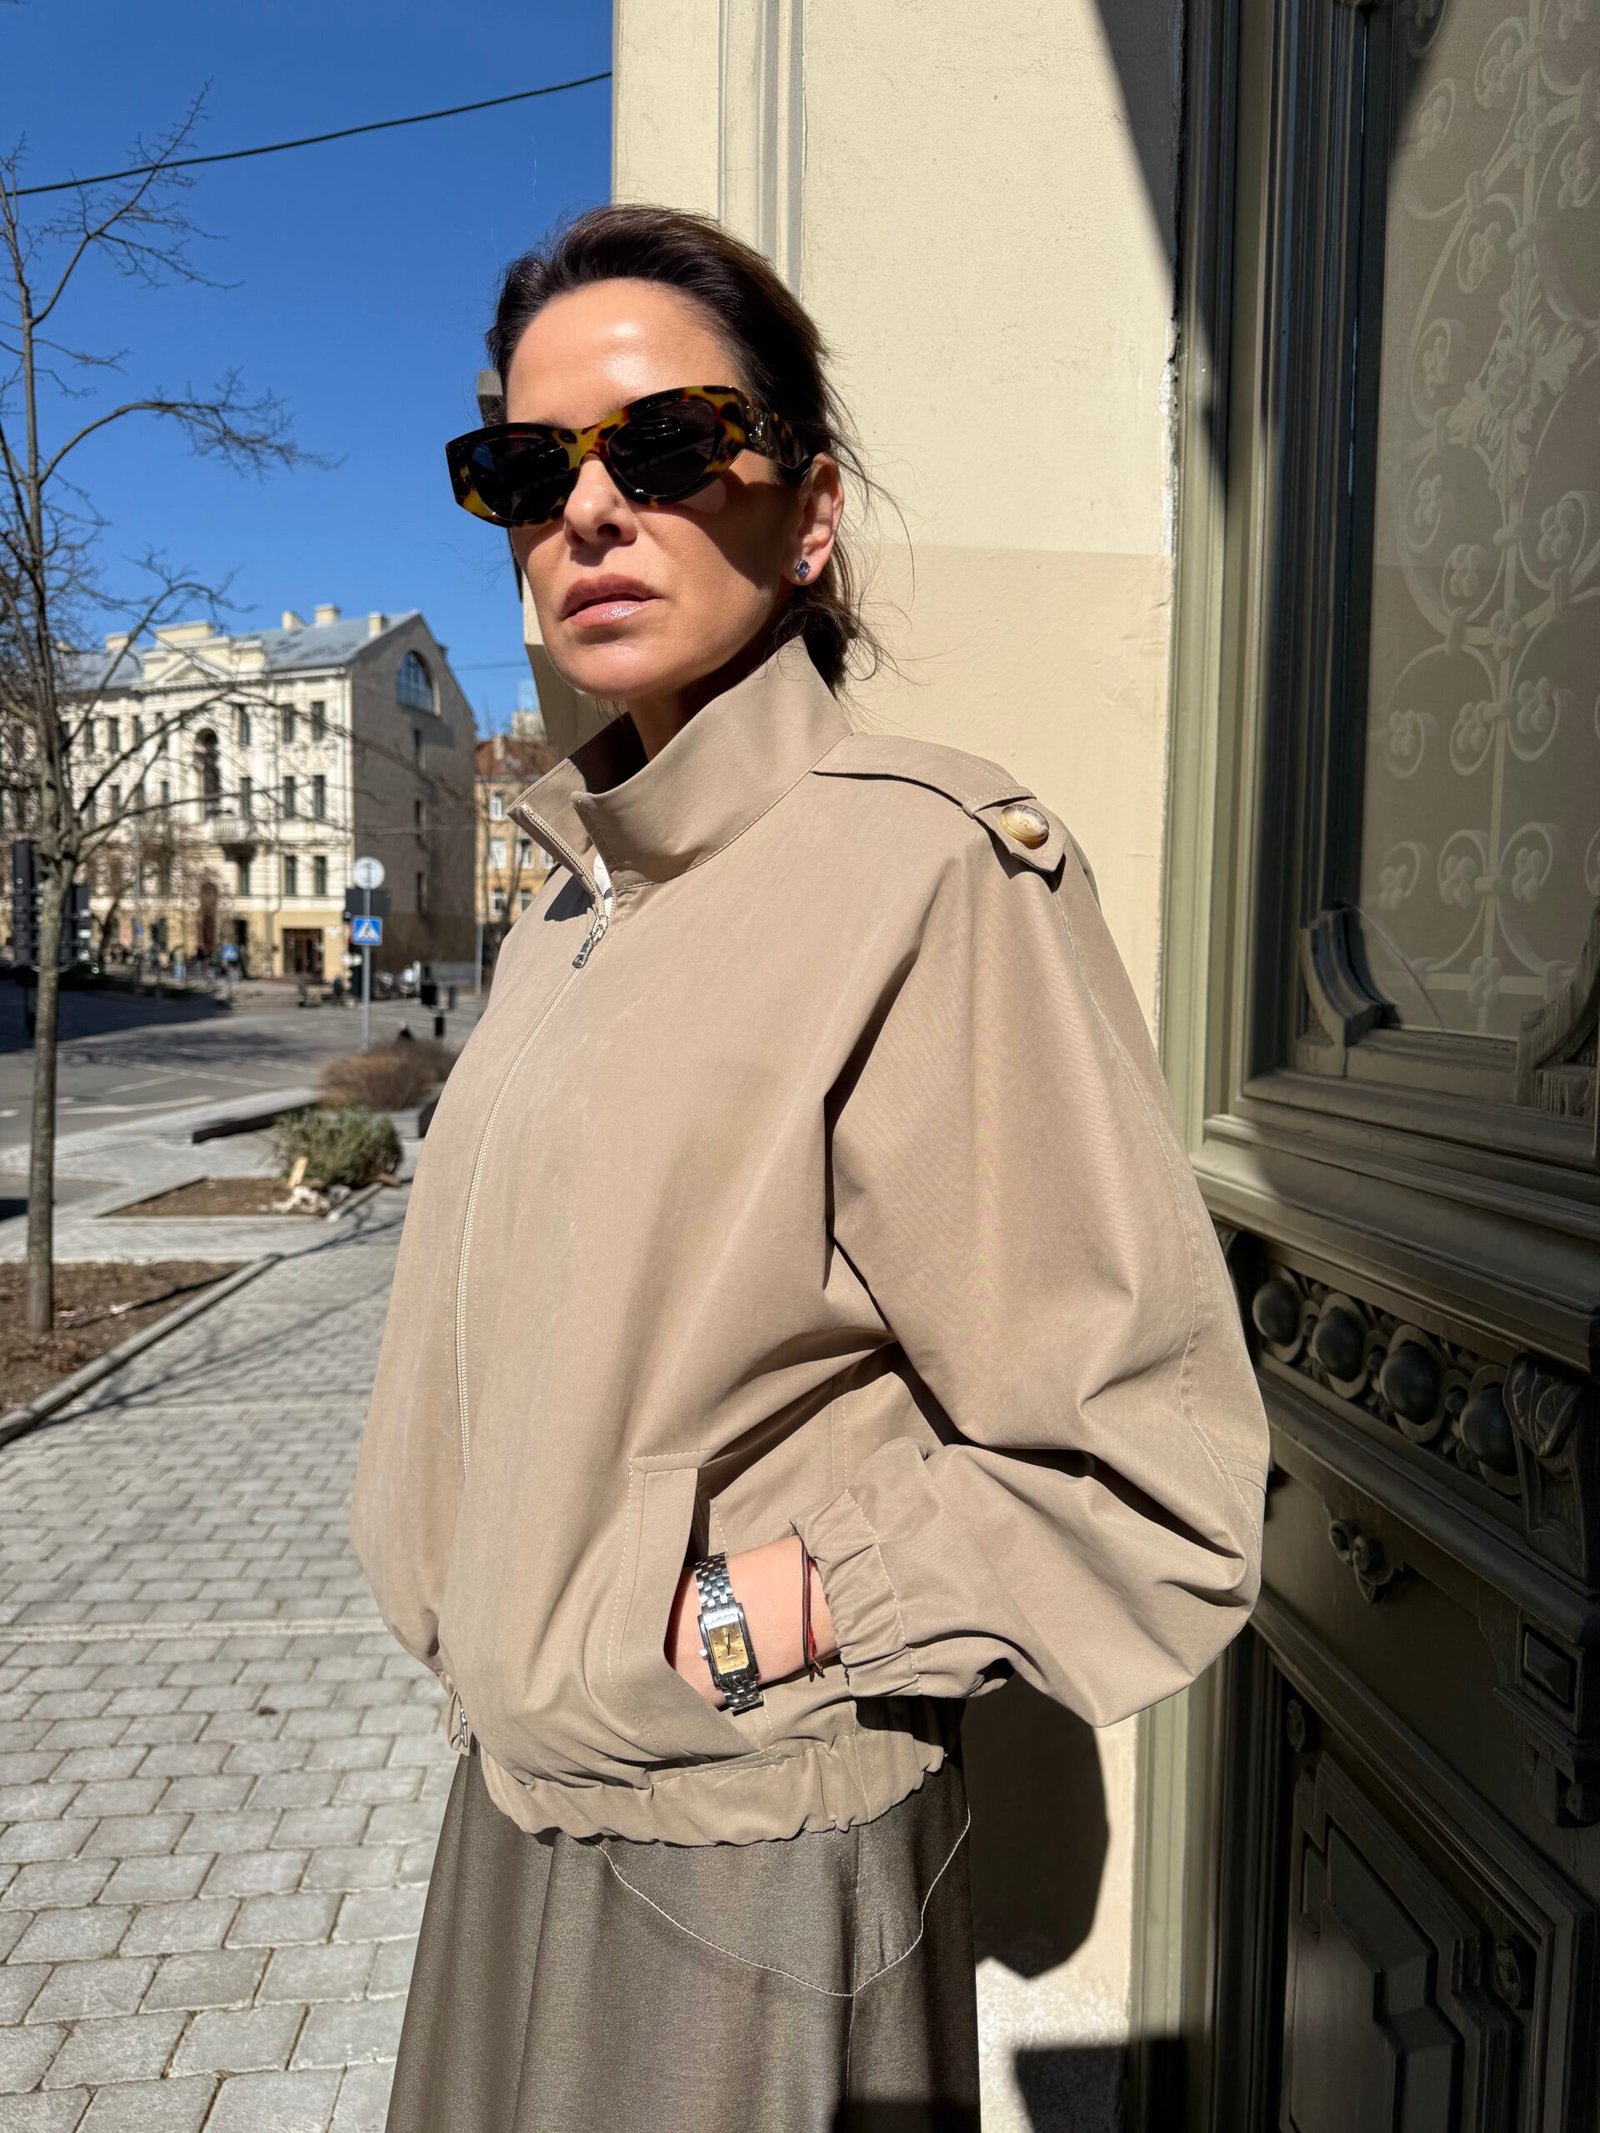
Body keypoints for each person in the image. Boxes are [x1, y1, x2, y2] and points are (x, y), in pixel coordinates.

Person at [351, 204, 1270, 2133]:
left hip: (738, 1860)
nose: (588, 512)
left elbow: (1147, 1471)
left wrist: (731, 1617)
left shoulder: (927, 873)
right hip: (512, 1806)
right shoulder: (568, 914)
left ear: (813, 510)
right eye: (526, 469)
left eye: (666, 445)